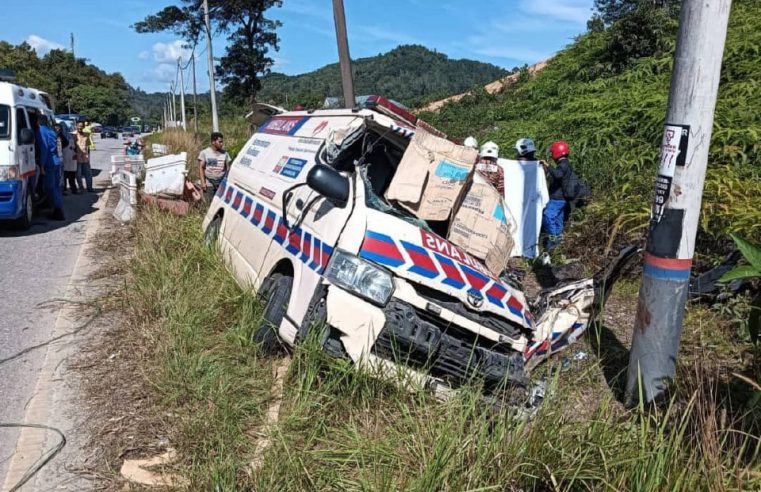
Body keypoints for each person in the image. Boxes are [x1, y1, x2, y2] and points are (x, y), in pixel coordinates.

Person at [542, 140, 574, 250]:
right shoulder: (566, 164)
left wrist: (547, 166)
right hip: (563, 199)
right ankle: (559, 244)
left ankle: (553, 241)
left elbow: (558, 175)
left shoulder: (563, 165)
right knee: (558, 220)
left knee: (548, 216)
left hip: (557, 198)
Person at [38, 116, 65, 220]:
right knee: (56, 187)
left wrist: (41, 165)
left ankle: (58, 211)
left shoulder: (41, 131)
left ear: (38, 121)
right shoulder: (51, 131)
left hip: (49, 163)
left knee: (51, 187)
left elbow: (44, 149)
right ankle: (58, 208)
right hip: (55, 161)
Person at [198, 132, 231, 200]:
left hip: (221, 184)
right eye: (220, 142)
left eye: (222, 142)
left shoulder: (225, 154)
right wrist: (203, 183)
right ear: (213, 142)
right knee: (208, 204)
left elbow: (228, 169)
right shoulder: (204, 153)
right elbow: (201, 168)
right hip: (209, 184)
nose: (222, 144)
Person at [74, 120, 94, 192]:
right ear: (76, 126)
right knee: (78, 175)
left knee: (88, 174)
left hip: (85, 157)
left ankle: (90, 188)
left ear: (83, 127)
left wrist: (88, 156)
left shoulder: (87, 134)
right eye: (79, 126)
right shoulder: (73, 135)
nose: (80, 128)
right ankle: (81, 188)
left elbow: (88, 147)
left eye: (81, 127)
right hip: (77, 157)